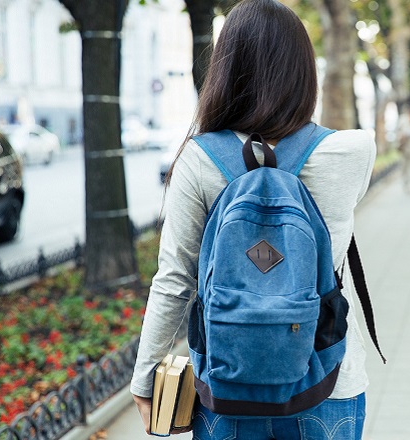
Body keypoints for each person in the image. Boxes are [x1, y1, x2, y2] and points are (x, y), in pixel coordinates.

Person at [129, 1, 376, 439]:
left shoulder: (199, 159)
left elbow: (175, 279)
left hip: (227, 387)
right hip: (327, 382)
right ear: (304, 72)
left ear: (226, 71)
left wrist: (147, 378)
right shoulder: (353, 150)